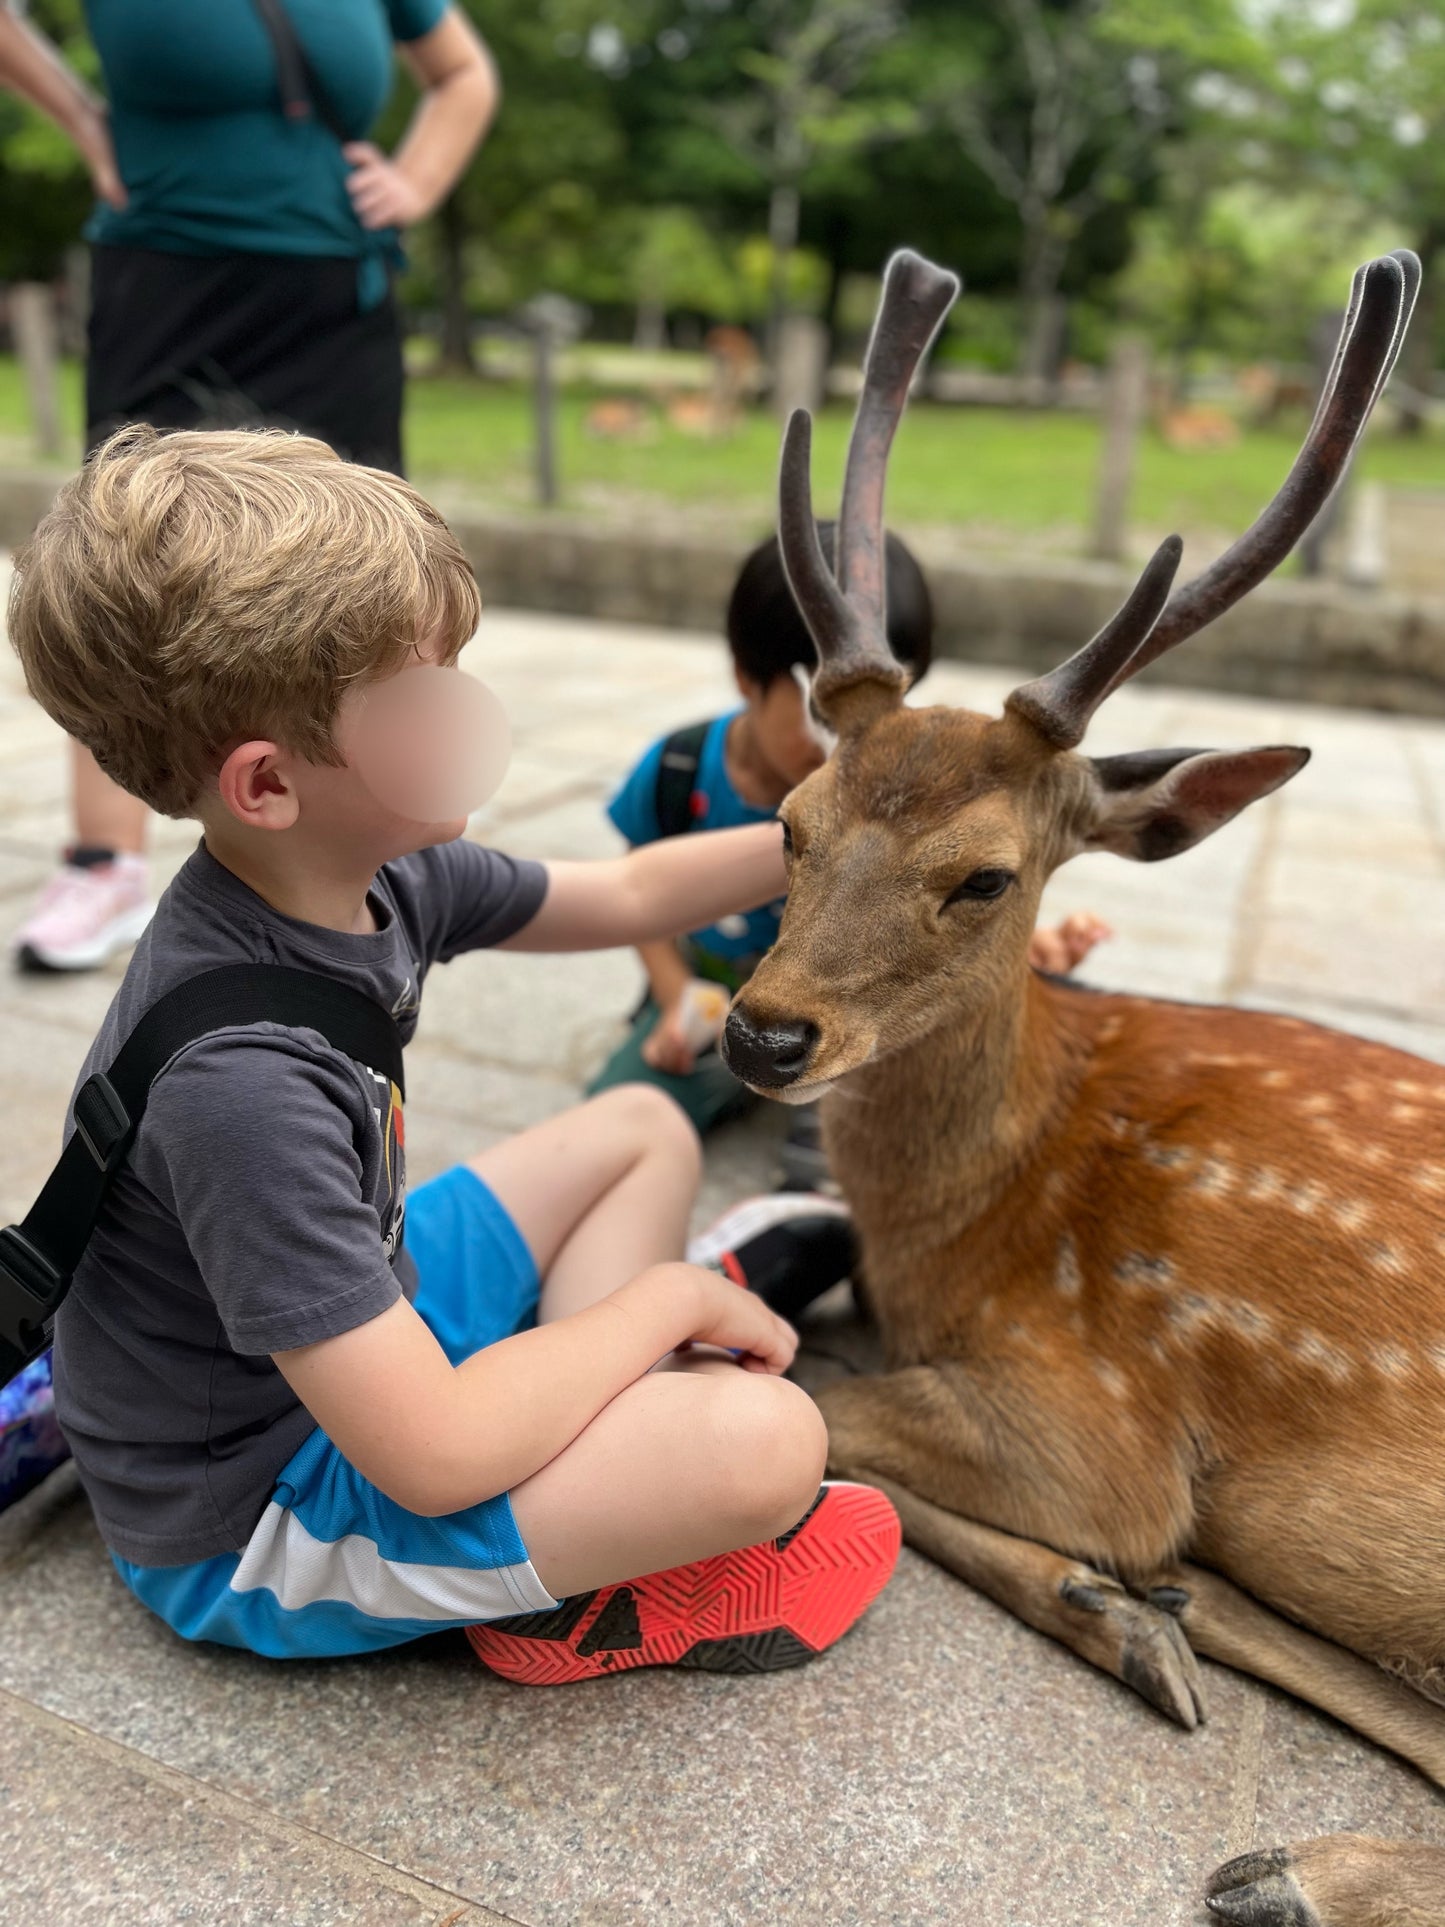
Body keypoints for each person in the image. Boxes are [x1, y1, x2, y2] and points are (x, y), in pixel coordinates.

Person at [7, 426, 901, 1679]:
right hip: (255, 1516)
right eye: (423, 693)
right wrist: (667, 1303)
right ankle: (570, 1571)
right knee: (765, 1446)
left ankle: (590, 1444)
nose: (472, 711)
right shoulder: (241, 1088)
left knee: (645, 1122)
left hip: (371, 1339)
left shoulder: (379, 871)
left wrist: (851, 824)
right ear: (266, 784)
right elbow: (426, 1453)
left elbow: (633, 891)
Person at [0, 0, 498, 974]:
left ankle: (374, 838)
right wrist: (81, 118)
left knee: (366, 574)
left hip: (331, 290)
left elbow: (463, 75)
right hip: (168, 275)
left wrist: (417, 179)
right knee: (128, 563)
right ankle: (105, 862)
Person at [589, 526, 1110, 1178]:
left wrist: (1022, 940)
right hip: (711, 995)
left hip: (850, 1007)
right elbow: (635, 895)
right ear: (747, 678)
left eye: (892, 698)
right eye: (826, 706)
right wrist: (673, 993)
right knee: (608, 1115)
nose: (857, 736)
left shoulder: (914, 799)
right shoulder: (678, 766)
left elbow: (959, 896)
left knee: (839, 1167)